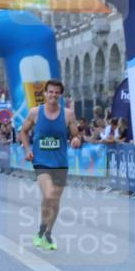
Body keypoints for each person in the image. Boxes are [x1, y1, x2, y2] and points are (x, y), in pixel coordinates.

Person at [17, 79, 82, 251]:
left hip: (60, 162)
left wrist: (76, 139)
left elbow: (76, 135)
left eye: (56, 92)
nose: (53, 95)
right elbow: (23, 131)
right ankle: (41, 230)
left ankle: (46, 233)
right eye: (50, 92)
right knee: (49, 194)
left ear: (60, 95)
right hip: (41, 162)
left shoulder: (68, 115)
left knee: (54, 200)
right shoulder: (35, 112)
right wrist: (27, 150)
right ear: (45, 93)